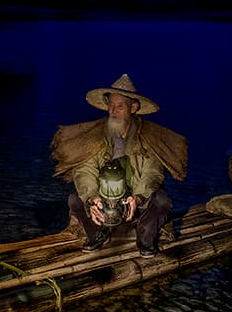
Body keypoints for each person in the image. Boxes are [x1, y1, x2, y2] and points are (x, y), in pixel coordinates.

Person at [51, 74, 188, 258]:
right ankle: (98, 234)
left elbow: (152, 173)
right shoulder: (97, 135)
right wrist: (92, 198)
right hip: (106, 202)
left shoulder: (147, 137)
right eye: (111, 105)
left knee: (162, 200)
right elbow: (85, 169)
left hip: (137, 202)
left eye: (120, 106)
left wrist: (137, 198)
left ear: (133, 107)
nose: (113, 111)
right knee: (76, 199)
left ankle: (145, 239)